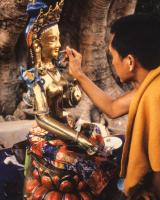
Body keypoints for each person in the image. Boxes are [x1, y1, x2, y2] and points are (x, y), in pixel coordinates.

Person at [65, 14, 160, 200]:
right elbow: (112, 108)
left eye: (112, 55)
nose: (112, 62)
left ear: (129, 61)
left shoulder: (156, 96)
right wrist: (79, 74)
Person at [21, 1, 119, 199]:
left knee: (96, 132)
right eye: (52, 40)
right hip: (46, 136)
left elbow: (68, 103)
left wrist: (73, 77)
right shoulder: (35, 78)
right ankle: (97, 184)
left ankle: (103, 177)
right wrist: (78, 139)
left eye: (58, 39)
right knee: (78, 162)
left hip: (66, 127)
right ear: (38, 44)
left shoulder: (56, 69)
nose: (58, 45)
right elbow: (43, 119)